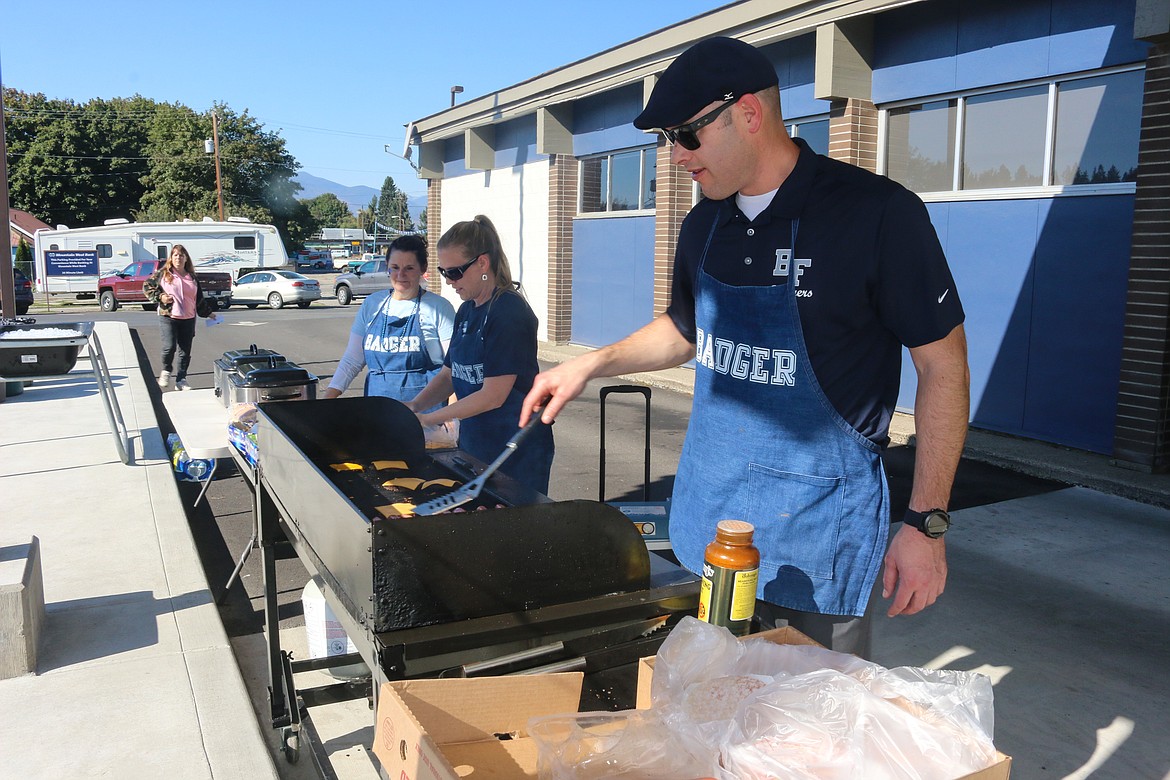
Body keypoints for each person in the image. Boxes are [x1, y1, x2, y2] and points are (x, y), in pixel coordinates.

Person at [521, 37, 970, 657]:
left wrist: (926, 525)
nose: (676, 157)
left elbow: (943, 367)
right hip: (710, 526)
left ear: (749, 114)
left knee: (808, 734)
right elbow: (685, 329)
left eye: (687, 135)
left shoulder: (877, 215)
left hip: (815, 543)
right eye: (668, 140)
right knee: (708, 717)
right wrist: (593, 364)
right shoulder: (705, 221)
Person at [405, 215, 555, 495]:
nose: (449, 281)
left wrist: (429, 420)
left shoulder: (508, 312)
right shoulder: (467, 310)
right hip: (476, 444)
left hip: (516, 449)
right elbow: (450, 374)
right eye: (443, 272)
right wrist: (415, 406)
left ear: (482, 263)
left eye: (455, 272)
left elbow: (493, 395)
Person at [323, 235, 455, 408]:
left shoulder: (439, 308)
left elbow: (454, 369)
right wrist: (326, 401)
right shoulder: (372, 304)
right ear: (387, 266)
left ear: (422, 268)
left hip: (427, 416)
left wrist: (451, 418)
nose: (401, 275)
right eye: (395, 267)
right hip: (377, 412)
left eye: (409, 268)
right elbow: (352, 360)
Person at [145, 244, 213, 391]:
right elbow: (147, 286)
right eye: (175, 255)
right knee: (169, 347)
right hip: (168, 316)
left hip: (188, 318)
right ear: (171, 258)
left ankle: (181, 379)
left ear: (186, 258)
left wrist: (209, 313)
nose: (178, 258)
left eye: (181, 255)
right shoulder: (163, 274)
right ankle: (166, 371)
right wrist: (160, 297)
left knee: (185, 351)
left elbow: (199, 299)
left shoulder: (192, 277)